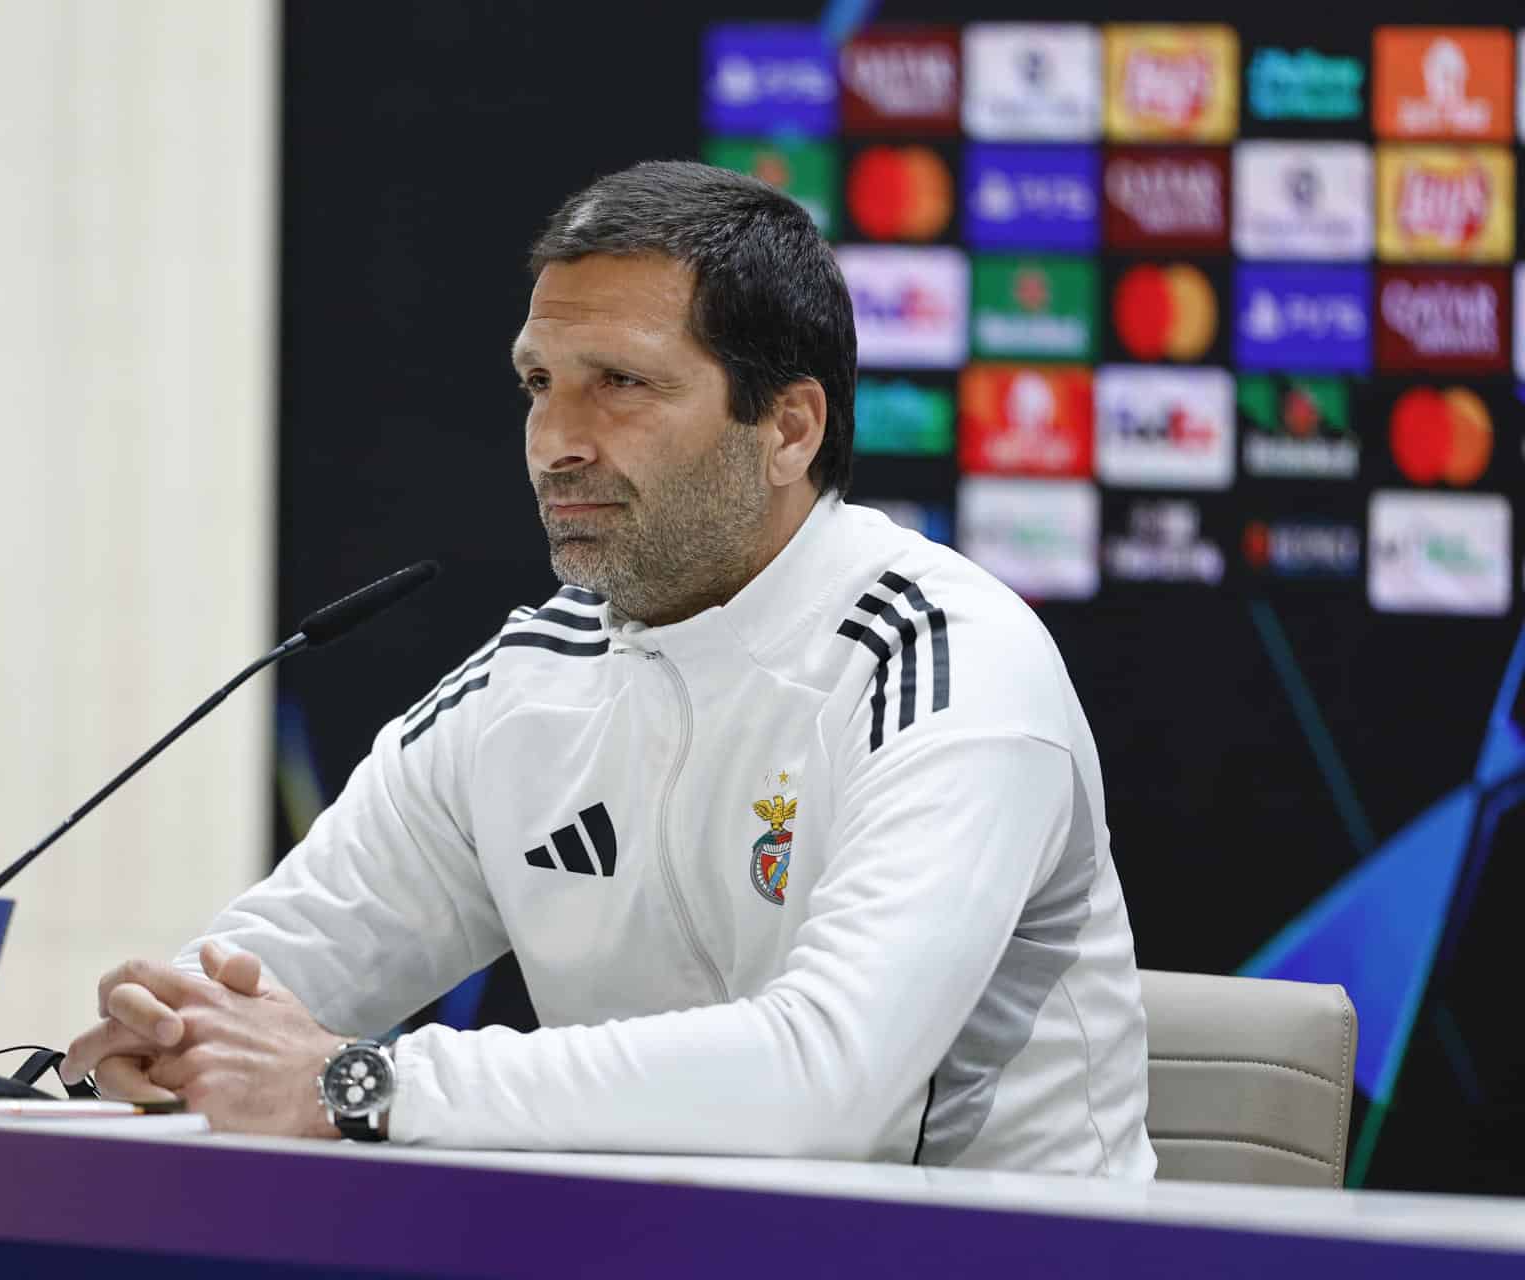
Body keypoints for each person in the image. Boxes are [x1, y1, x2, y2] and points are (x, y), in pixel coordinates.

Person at [61, 160, 1156, 1175]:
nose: (554, 439)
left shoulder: (946, 660)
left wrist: (356, 1081)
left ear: (787, 428)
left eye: (620, 382)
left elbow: (822, 1087)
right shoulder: (532, 681)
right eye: (540, 382)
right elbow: (270, 974)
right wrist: (172, 1032)